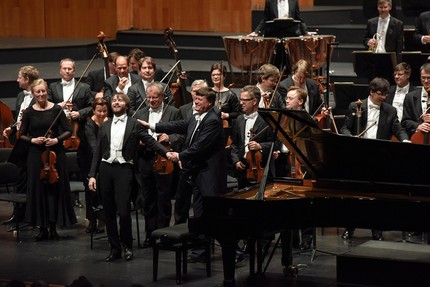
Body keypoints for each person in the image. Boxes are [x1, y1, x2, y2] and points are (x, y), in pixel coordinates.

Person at [88, 93, 168, 262]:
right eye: (114, 100)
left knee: (124, 211)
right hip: (105, 169)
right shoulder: (105, 125)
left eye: (120, 100)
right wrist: (92, 175)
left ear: (126, 105)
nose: (116, 102)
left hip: (124, 169)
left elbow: (151, 142)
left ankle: (126, 246)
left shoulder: (134, 124)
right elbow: (97, 153)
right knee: (108, 212)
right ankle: (114, 248)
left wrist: (168, 154)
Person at [138, 87, 227, 222]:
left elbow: (200, 146)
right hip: (195, 169)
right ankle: (193, 237)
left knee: (206, 208)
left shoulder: (212, 120)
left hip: (208, 171)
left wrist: (179, 156)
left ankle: (204, 239)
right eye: (195, 98)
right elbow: (177, 125)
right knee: (189, 206)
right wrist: (151, 126)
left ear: (209, 103)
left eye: (199, 99)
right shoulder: (198, 116)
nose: (195, 102)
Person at [340, 77, 410, 241]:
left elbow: (398, 129)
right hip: (358, 157)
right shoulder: (356, 106)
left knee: (378, 197)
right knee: (354, 196)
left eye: (386, 94)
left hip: (379, 158)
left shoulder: (390, 110)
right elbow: (345, 128)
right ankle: (350, 228)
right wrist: (351, 139)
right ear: (371, 92)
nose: (384, 97)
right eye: (381, 94)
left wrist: (405, 140)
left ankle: (377, 230)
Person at [19, 79, 76, 241]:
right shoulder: (29, 112)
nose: (41, 94)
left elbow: (68, 130)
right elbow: (22, 134)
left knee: (54, 191)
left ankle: (53, 227)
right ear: (33, 93)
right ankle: (42, 228)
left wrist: (56, 140)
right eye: (38, 92)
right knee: (39, 191)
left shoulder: (56, 109)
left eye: (43, 91)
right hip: (36, 155)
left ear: (47, 92)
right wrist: (33, 140)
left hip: (55, 154)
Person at [134, 82, 181, 243]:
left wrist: (170, 138)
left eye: (155, 97)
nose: (151, 100)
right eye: (149, 97)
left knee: (164, 199)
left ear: (162, 96)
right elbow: (132, 135)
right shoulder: (139, 113)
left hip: (165, 161)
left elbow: (182, 135)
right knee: (148, 199)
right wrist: (139, 142)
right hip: (146, 159)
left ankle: (164, 233)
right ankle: (150, 234)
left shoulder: (174, 112)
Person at [48, 58, 93, 209]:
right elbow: (46, 106)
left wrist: (79, 113)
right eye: (64, 69)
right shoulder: (52, 87)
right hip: (59, 134)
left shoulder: (84, 87)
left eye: (70, 69)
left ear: (74, 71)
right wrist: (58, 106)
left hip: (80, 134)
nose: (67, 71)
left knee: (84, 169)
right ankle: (63, 205)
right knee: (60, 170)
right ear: (60, 70)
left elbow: (92, 107)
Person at [2, 65, 39, 225]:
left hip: (31, 142)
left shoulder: (38, 95)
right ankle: (18, 214)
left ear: (27, 79)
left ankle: (31, 215)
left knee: (31, 179)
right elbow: (18, 118)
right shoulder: (20, 96)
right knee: (20, 177)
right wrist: (11, 127)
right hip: (20, 141)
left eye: (19, 77)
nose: (17, 80)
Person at [174, 79, 208, 225]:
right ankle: (179, 227)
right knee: (182, 198)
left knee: (200, 200)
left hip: (202, 162)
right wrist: (181, 155)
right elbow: (179, 134)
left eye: (201, 93)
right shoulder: (183, 110)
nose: (197, 95)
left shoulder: (211, 112)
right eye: (195, 92)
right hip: (185, 160)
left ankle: (199, 231)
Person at [230, 85, 275, 189]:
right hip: (243, 168)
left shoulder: (267, 120)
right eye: (240, 99)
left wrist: (260, 146)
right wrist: (236, 160)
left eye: (244, 100)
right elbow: (234, 144)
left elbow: (275, 144)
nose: (241, 103)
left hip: (262, 168)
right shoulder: (239, 119)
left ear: (254, 101)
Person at [83, 98, 109, 233]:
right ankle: (92, 220)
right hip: (87, 161)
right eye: (99, 111)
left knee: (103, 191)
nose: (102, 114)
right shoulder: (89, 124)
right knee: (90, 191)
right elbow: (94, 146)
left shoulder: (108, 122)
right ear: (93, 110)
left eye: (105, 111)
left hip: (104, 160)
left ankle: (102, 219)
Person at [402, 62, 430, 137]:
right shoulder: (410, 97)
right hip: (417, 138)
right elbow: (405, 121)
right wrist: (418, 126)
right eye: (423, 78)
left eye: (429, 78)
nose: (426, 81)